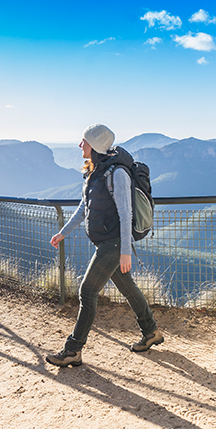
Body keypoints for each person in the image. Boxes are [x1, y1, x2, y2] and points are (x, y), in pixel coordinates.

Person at [45, 123, 163, 367]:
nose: (80, 145)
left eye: (84, 141)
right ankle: (151, 332)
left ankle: (73, 349)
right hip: (107, 242)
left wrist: (125, 252)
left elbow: (125, 214)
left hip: (114, 244)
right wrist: (62, 233)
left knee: (87, 292)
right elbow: (83, 208)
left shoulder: (116, 174)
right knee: (127, 287)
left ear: (95, 145)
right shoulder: (94, 170)